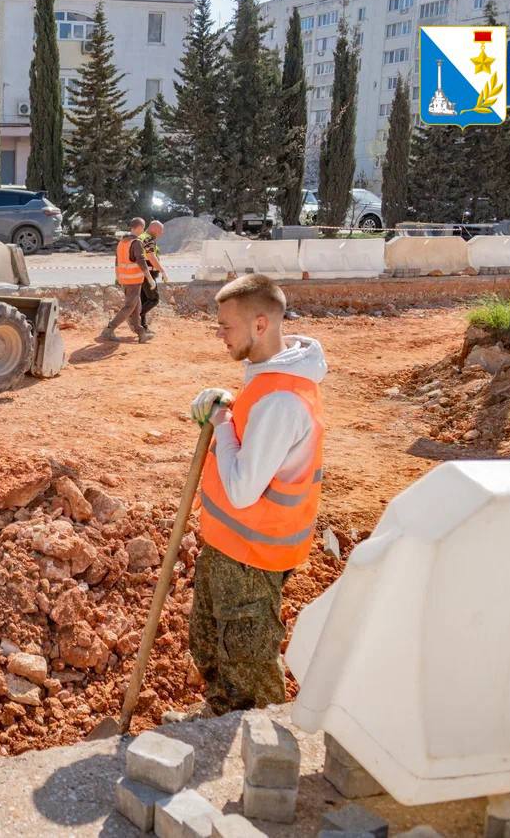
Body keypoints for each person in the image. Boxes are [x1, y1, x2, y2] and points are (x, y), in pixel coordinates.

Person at [186, 273, 327, 716]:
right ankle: (220, 712)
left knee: (247, 654)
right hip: (232, 543)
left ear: (260, 325)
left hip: (254, 551)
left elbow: (244, 488)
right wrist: (229, 404)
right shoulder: (269, 378)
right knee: (209, 638)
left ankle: (260, 744)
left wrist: (222, 425)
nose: (219, 335)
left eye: (226, 326)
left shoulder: (281, 400)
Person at [99, 218, 151, 343]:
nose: (143, 231)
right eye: (143, 228)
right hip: (133, 280)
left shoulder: (122, 242)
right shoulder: (136, 242)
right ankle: (109, 329)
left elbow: (117, 261)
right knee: (129, 307)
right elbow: (141, 261)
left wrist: (118, 277)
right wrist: (149, 277)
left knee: (136, 307)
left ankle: (141, 333)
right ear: (139, 227)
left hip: (125, 280)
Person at [139, 220, 168, 337]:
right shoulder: (148, 238)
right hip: (148, 275)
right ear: (154, 228)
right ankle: (134, 317)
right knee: (153, 299)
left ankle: (142, 327)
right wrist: (163, 271)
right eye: (160, 230)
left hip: (142, 274)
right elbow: (151, 257)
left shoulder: (142, 237)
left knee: (144, 301)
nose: (161, 233)